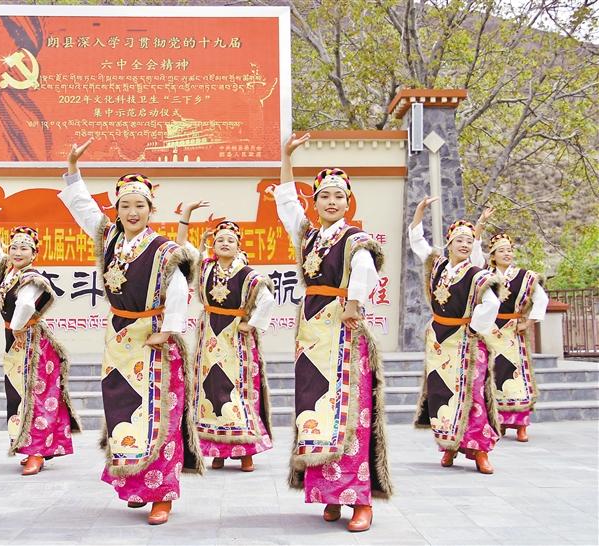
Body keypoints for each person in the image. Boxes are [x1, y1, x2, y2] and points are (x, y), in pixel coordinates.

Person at [58, 138, 203, 525]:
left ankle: (162, 494)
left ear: (151, 210)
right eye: (125, 205)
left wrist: (168, 331)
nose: (132, 212)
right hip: (119, 338)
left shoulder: (164, 249)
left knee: (159, 414)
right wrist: (72, 169)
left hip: (154, 338)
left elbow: (178, 290)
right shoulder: (109, 239)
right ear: (117, 209)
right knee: (123, 410)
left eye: (140, 205)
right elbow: (84, 209)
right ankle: (137, 483)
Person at [272, 133, 393, 532]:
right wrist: (287, 158)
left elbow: (365, 269)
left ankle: (360, 500)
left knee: (350, 410)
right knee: (315, 409)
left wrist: (354, 303)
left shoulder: (355, 238)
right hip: (311, 333)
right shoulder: (308, 236)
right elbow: (287, 204)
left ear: (347, 202)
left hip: (343, 330)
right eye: (324, 195)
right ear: (315, 201)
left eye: (338, 196)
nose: (331, 201)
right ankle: (329, 494)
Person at [0, 210, 81, 476]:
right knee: (18, 394)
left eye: (24, 248)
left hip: (32, 343)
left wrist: (16, 328)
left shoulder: (32, 278)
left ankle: (37, 451)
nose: (17, 252)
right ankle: (28, 446)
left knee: (35, 395)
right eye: (14, 247)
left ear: (35, 254)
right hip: (15, 340)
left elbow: (25, 305)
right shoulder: (8, 272)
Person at [176, 203, 275, 472]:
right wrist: (186, 216)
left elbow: (267, 300)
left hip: (236, 340)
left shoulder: (248, 274)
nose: (225, 243)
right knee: (210, 390)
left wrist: (250, 324)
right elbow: (181, 249)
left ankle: (245, 452)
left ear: (239, 246)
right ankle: (217, 451)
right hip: (210, 336)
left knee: (238, 391)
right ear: (213, 244)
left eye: (230, 240)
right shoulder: (205, 267)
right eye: (220, 239)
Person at [409, 197, 501, 474]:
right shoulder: (437, 265)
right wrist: (419, 213)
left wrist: (474, 327)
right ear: (449, 243)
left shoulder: (476, 274)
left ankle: (480, 450)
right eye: (459, 240)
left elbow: (491, 304)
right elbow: (418, 243)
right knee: (441, 392)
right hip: (439, 338)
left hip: (466, 340)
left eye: (469, 241)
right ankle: (449, 445)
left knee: (472, 394)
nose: (464, 244)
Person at [471, 211, 548, 442]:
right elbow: (474, 254)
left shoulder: (525, 277)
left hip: (513, 331)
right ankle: (499, 422)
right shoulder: (485, 274)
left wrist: (528, 322)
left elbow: (541, 299)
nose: (507, 253)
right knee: (492, 374)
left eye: (509, 250)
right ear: (493, 256)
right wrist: (480, 225)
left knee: (516, 376)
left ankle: (521, 424)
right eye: (502, 250)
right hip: (490, 331)